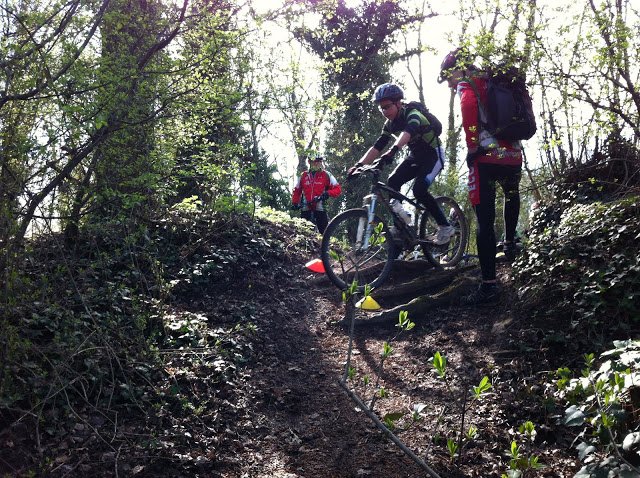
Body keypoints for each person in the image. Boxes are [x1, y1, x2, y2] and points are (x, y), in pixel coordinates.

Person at [438, 48, 523, 304]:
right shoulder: (496, 79)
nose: (451, 84)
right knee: (512, 195)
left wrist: (473, 146)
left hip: (485, 158)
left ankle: (488, 286)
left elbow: (468, 109)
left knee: (484, 221)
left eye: (449, 77)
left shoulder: (468, 84)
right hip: (513, 155)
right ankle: (510, 243)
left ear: (460, 68)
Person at [347, 82, 455, 245]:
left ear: (398, 103)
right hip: (416, 156)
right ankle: (401, 225)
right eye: (382, 108)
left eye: (388, 106)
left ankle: (445, 226)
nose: (385, 111)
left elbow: (407, 133)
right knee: (393, 182)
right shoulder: (390, 124)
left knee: (419, 190)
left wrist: (393, 150)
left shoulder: (413, 114)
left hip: (433, 156)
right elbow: (377, 146)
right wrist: (358, 165)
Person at [291, 156, 342, 234]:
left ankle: (325, 246)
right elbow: (297, 190)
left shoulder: (327, 175)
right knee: (303, 233)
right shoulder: (303, 175)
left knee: (324, 234)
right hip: (306, 208)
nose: (318, 163)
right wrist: (295, 203)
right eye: (315, 161)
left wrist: (328, 193)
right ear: (309, 162)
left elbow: (338, 189)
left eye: (320, 161)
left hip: (320, 208)